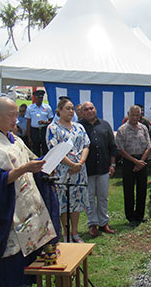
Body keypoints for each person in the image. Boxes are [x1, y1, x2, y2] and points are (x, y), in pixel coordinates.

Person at [0, 97, 61, 286]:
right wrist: (24, 169)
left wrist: (48, 162)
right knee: (11, 272)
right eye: (11, 115)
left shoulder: (16, 140)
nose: (15, 120)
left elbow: (32, 161)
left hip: (27, 212)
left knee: (27, 267)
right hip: (7, 215)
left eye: (16, 115)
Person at [46, 98, 91, 243]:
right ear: (59, 110)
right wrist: (72, 164)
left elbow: (86, 145)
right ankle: (65, 233)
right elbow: (55, 149)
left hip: (79, 170)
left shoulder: (79, 127)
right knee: (64, 202)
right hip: (63, 170)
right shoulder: (53, 128)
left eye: (72, 108)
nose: (71, 111)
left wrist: (80, 163)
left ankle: (75, 232)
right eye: (67, 108)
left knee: (76, 201)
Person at [79, 101, 117, 237]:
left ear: (95, 109)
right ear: (82, 112)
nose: (90, 111)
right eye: (86, 109)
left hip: (103, 168)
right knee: (89, 198)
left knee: (103, 197)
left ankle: (103, 223)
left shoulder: (105, 125)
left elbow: (112, 147)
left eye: (92, 108)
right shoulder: (78, 127)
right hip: (86, 170)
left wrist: (112, 165)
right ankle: (92, 224)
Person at [115, 105, 151, 227]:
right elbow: (120, 149)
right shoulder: (122, 130)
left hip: (142, 160)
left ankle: (140, 216)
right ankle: (130, 217)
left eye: (137, 115)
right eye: (133, 114)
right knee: (129, 190)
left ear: (140, 115)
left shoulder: (144, 128)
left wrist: (140, 162)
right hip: (129, 161)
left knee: (142, 189)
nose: (135, 117)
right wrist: (135, 162)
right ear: (128, 114)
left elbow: (148, 146)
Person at [26, 89, 54, 157]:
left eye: (41, 97)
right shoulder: (30, 108)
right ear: (35, 97)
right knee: (36, 149)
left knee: (45, 149)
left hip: (44, 129)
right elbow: (28, 123)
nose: (40, 99)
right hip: (34, 130)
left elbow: (51, 121)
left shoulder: (47, 107)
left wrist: (45, 122)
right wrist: (29, 137)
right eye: (38, 97)